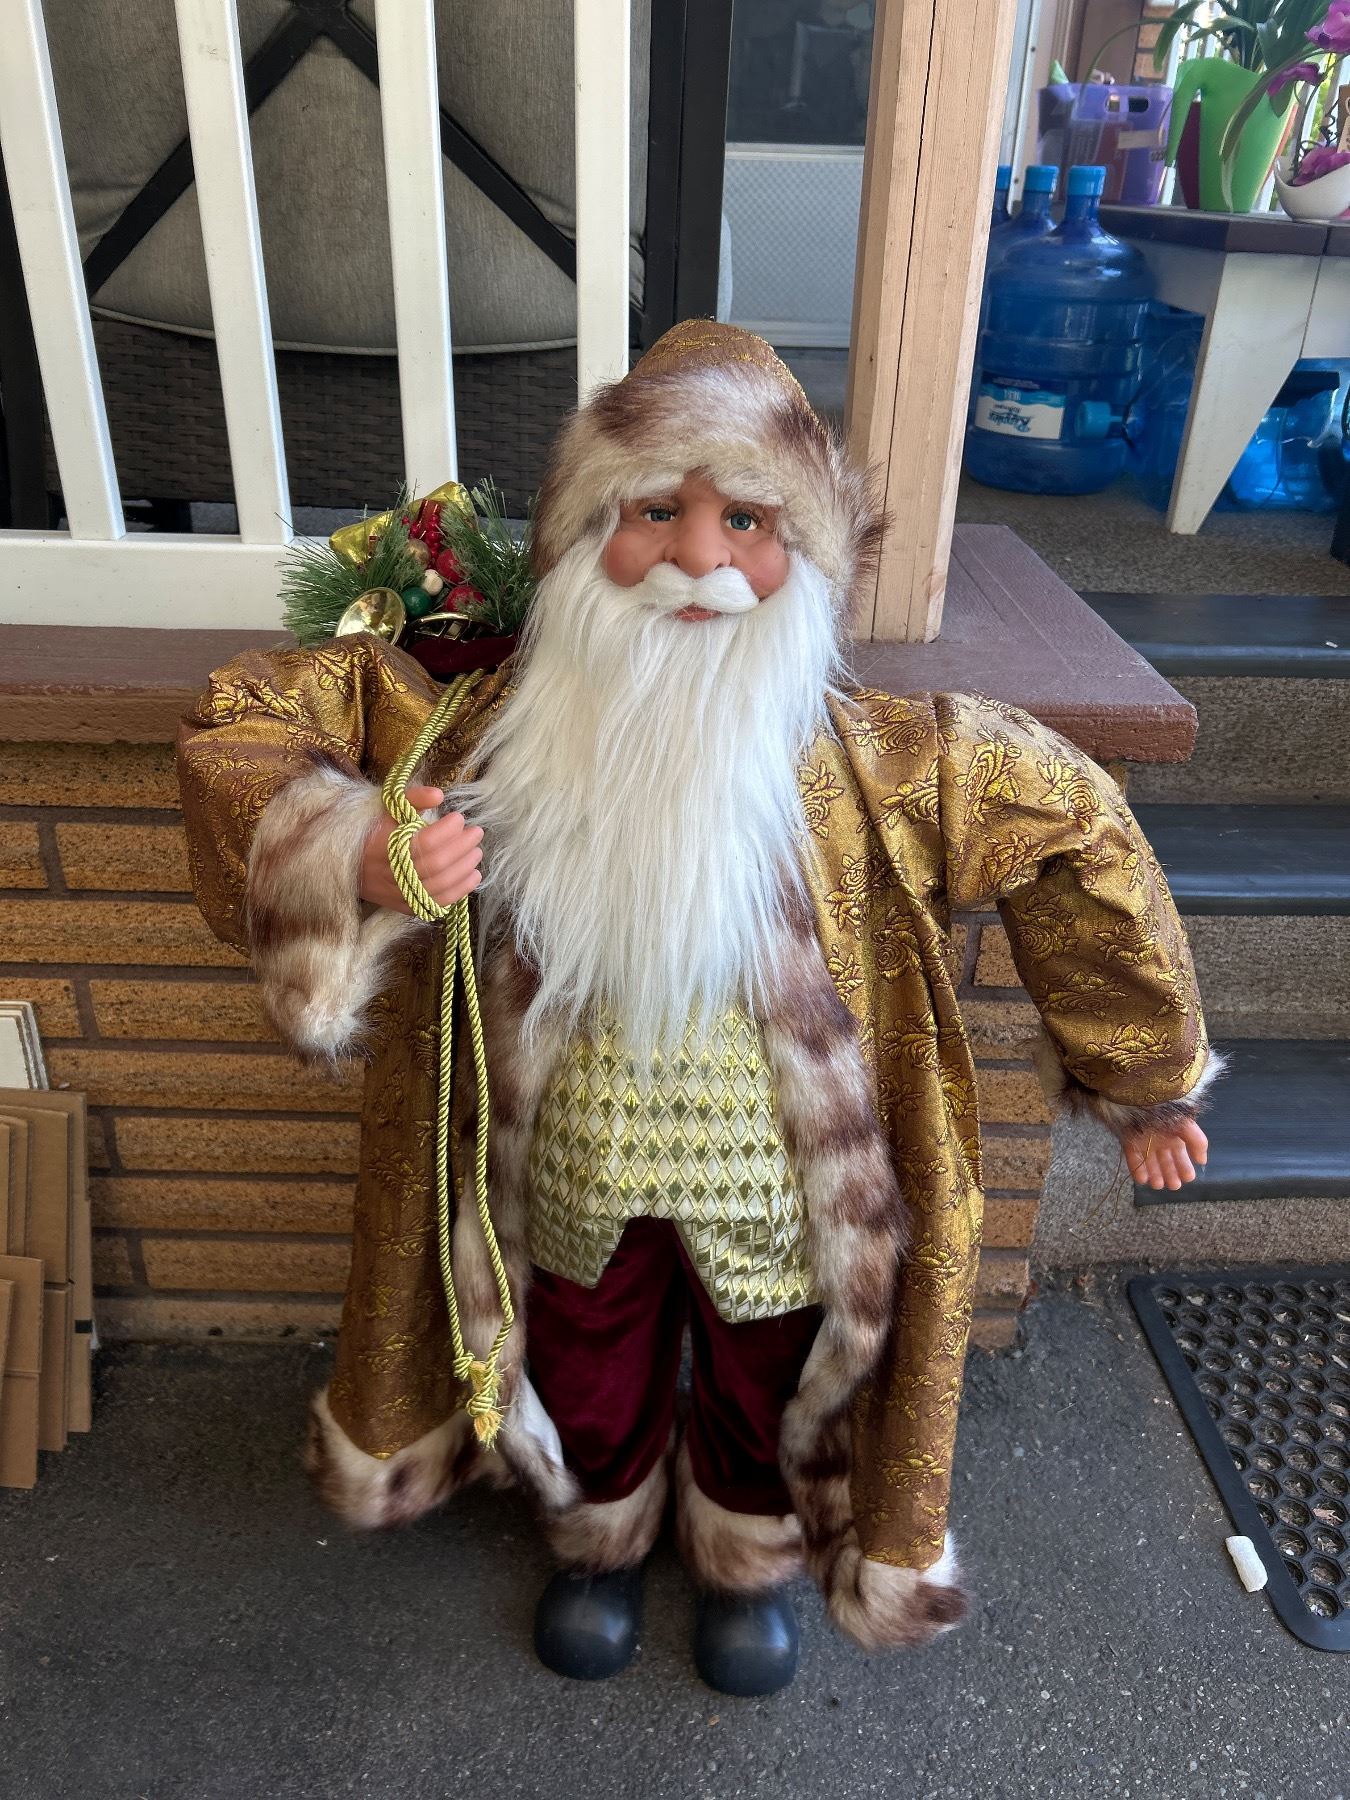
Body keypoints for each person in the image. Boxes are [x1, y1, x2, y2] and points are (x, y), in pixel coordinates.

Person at [178, 322, 1219, 1697]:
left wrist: (1139, 1070)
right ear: (580, 535)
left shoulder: (879, 763)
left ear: (807, 554)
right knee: (583, 1355)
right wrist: (355, 851)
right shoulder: (481, 733)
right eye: (654, 512)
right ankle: (598, 1537)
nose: (697, 559)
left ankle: (745, 1558)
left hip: (779, 1183)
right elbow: (246, 720)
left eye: (748, 521)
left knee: (764, 1368)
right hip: (567, 1162)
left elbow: (1075, 830)